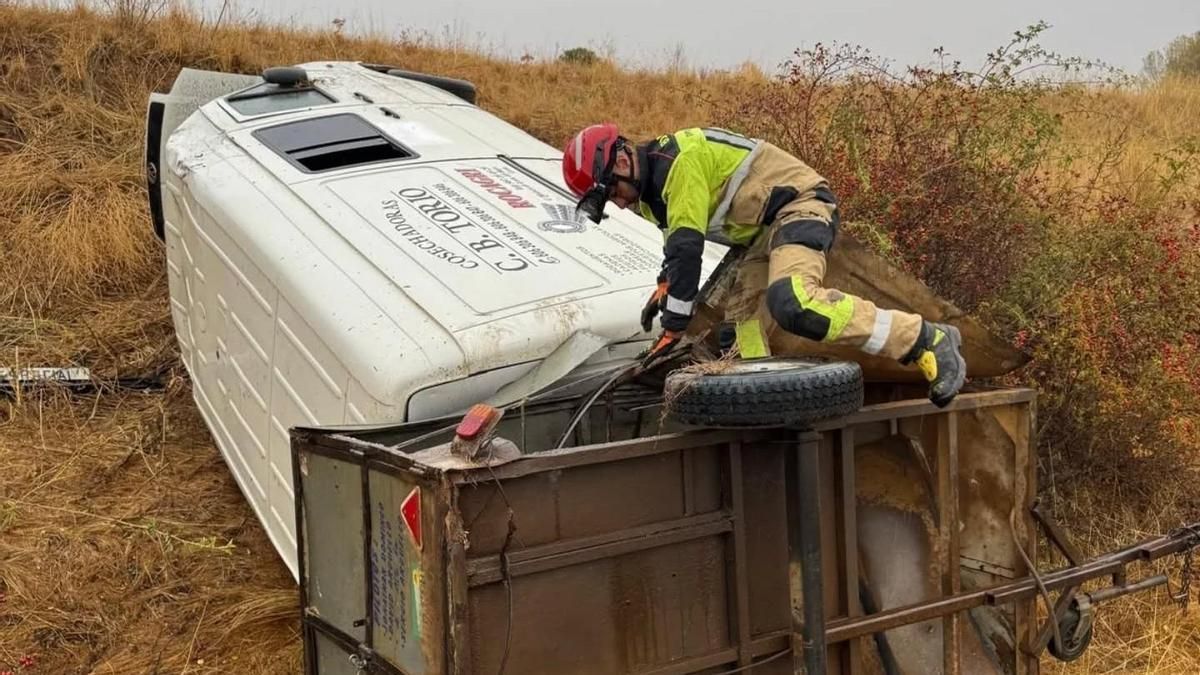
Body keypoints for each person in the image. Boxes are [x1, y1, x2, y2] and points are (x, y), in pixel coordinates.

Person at [562, 123, 967, 407]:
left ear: (620, 161)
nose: (617, 203)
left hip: (799, 206)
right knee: (739, 338)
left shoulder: (678, 164)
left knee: (794, 303)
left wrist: (673, 329)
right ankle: (762, 394)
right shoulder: (649, 194)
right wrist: (665, 284)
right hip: (759, 235)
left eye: (611, 192)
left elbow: (687, 249)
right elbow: (676, 245)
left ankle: (924, 339)